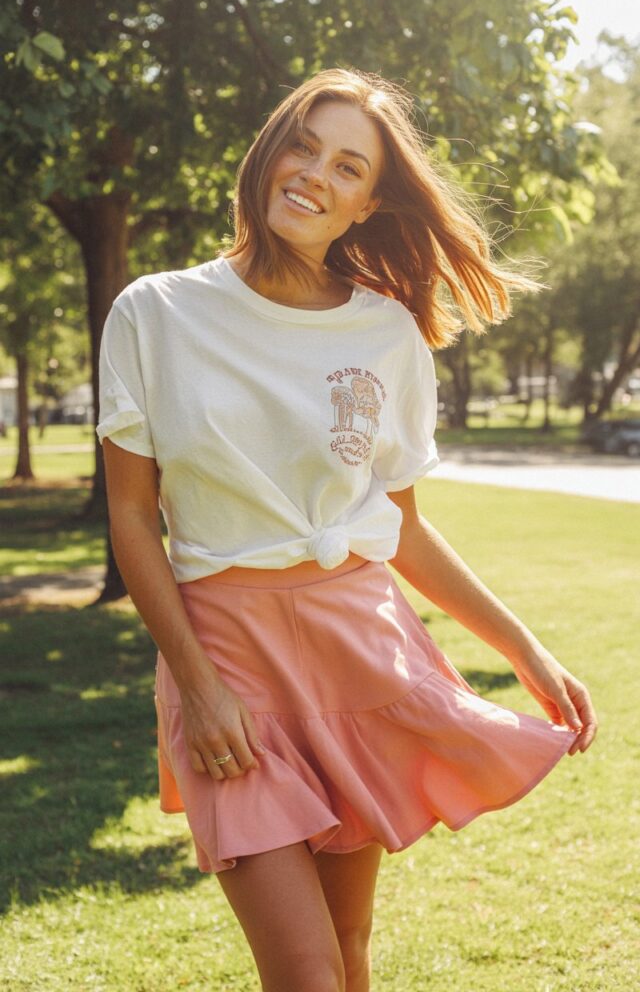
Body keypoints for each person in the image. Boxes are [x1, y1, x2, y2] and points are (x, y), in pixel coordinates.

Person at [96, 67, 597, 992]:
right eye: (303, 147)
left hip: (357, 648)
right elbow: (131, 514)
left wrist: (525, 650)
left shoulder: (386, 335)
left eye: (346, 167)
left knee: (350, 950)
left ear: (367, 205)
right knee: (305, 973)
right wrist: (197, 688)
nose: (314, 175)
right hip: (225, 654)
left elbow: (401, 529)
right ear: (268, 153)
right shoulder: (154, 313)